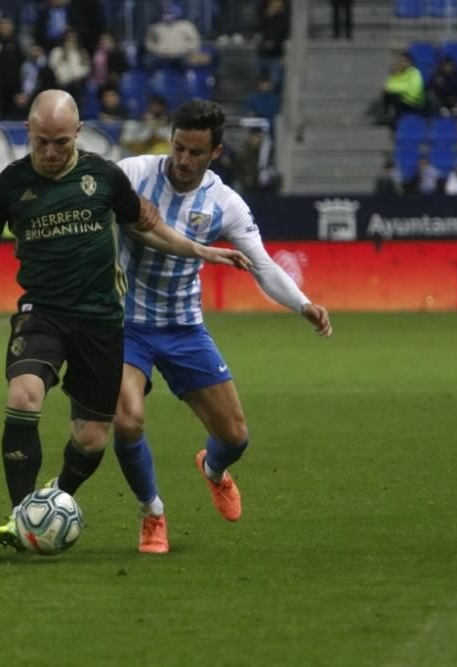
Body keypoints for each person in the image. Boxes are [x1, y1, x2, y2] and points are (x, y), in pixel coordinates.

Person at [0, 90, 252, 550]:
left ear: (78, 134)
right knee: (24, 395)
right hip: (42, 312)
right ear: (28, 132)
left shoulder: (103, 177)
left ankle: (55, 498)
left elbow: (145, 226)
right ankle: (22, 513)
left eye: (61, 142)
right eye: (42, 141)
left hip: (102, 320)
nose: (50, 152)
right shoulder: (8, 185)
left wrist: (198, 249)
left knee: (91, 439)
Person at [107, 100, 332, 553]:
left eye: (195, 152)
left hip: (184, 328)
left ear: (215, 153)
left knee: (235, 437)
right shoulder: (133, 173)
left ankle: (212, 469)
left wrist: (303, 305)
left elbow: (262, 265)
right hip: (127, 324)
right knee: (126, 421)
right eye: (178, 148)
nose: (183, 161)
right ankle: (152, 514)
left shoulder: (224, 203)